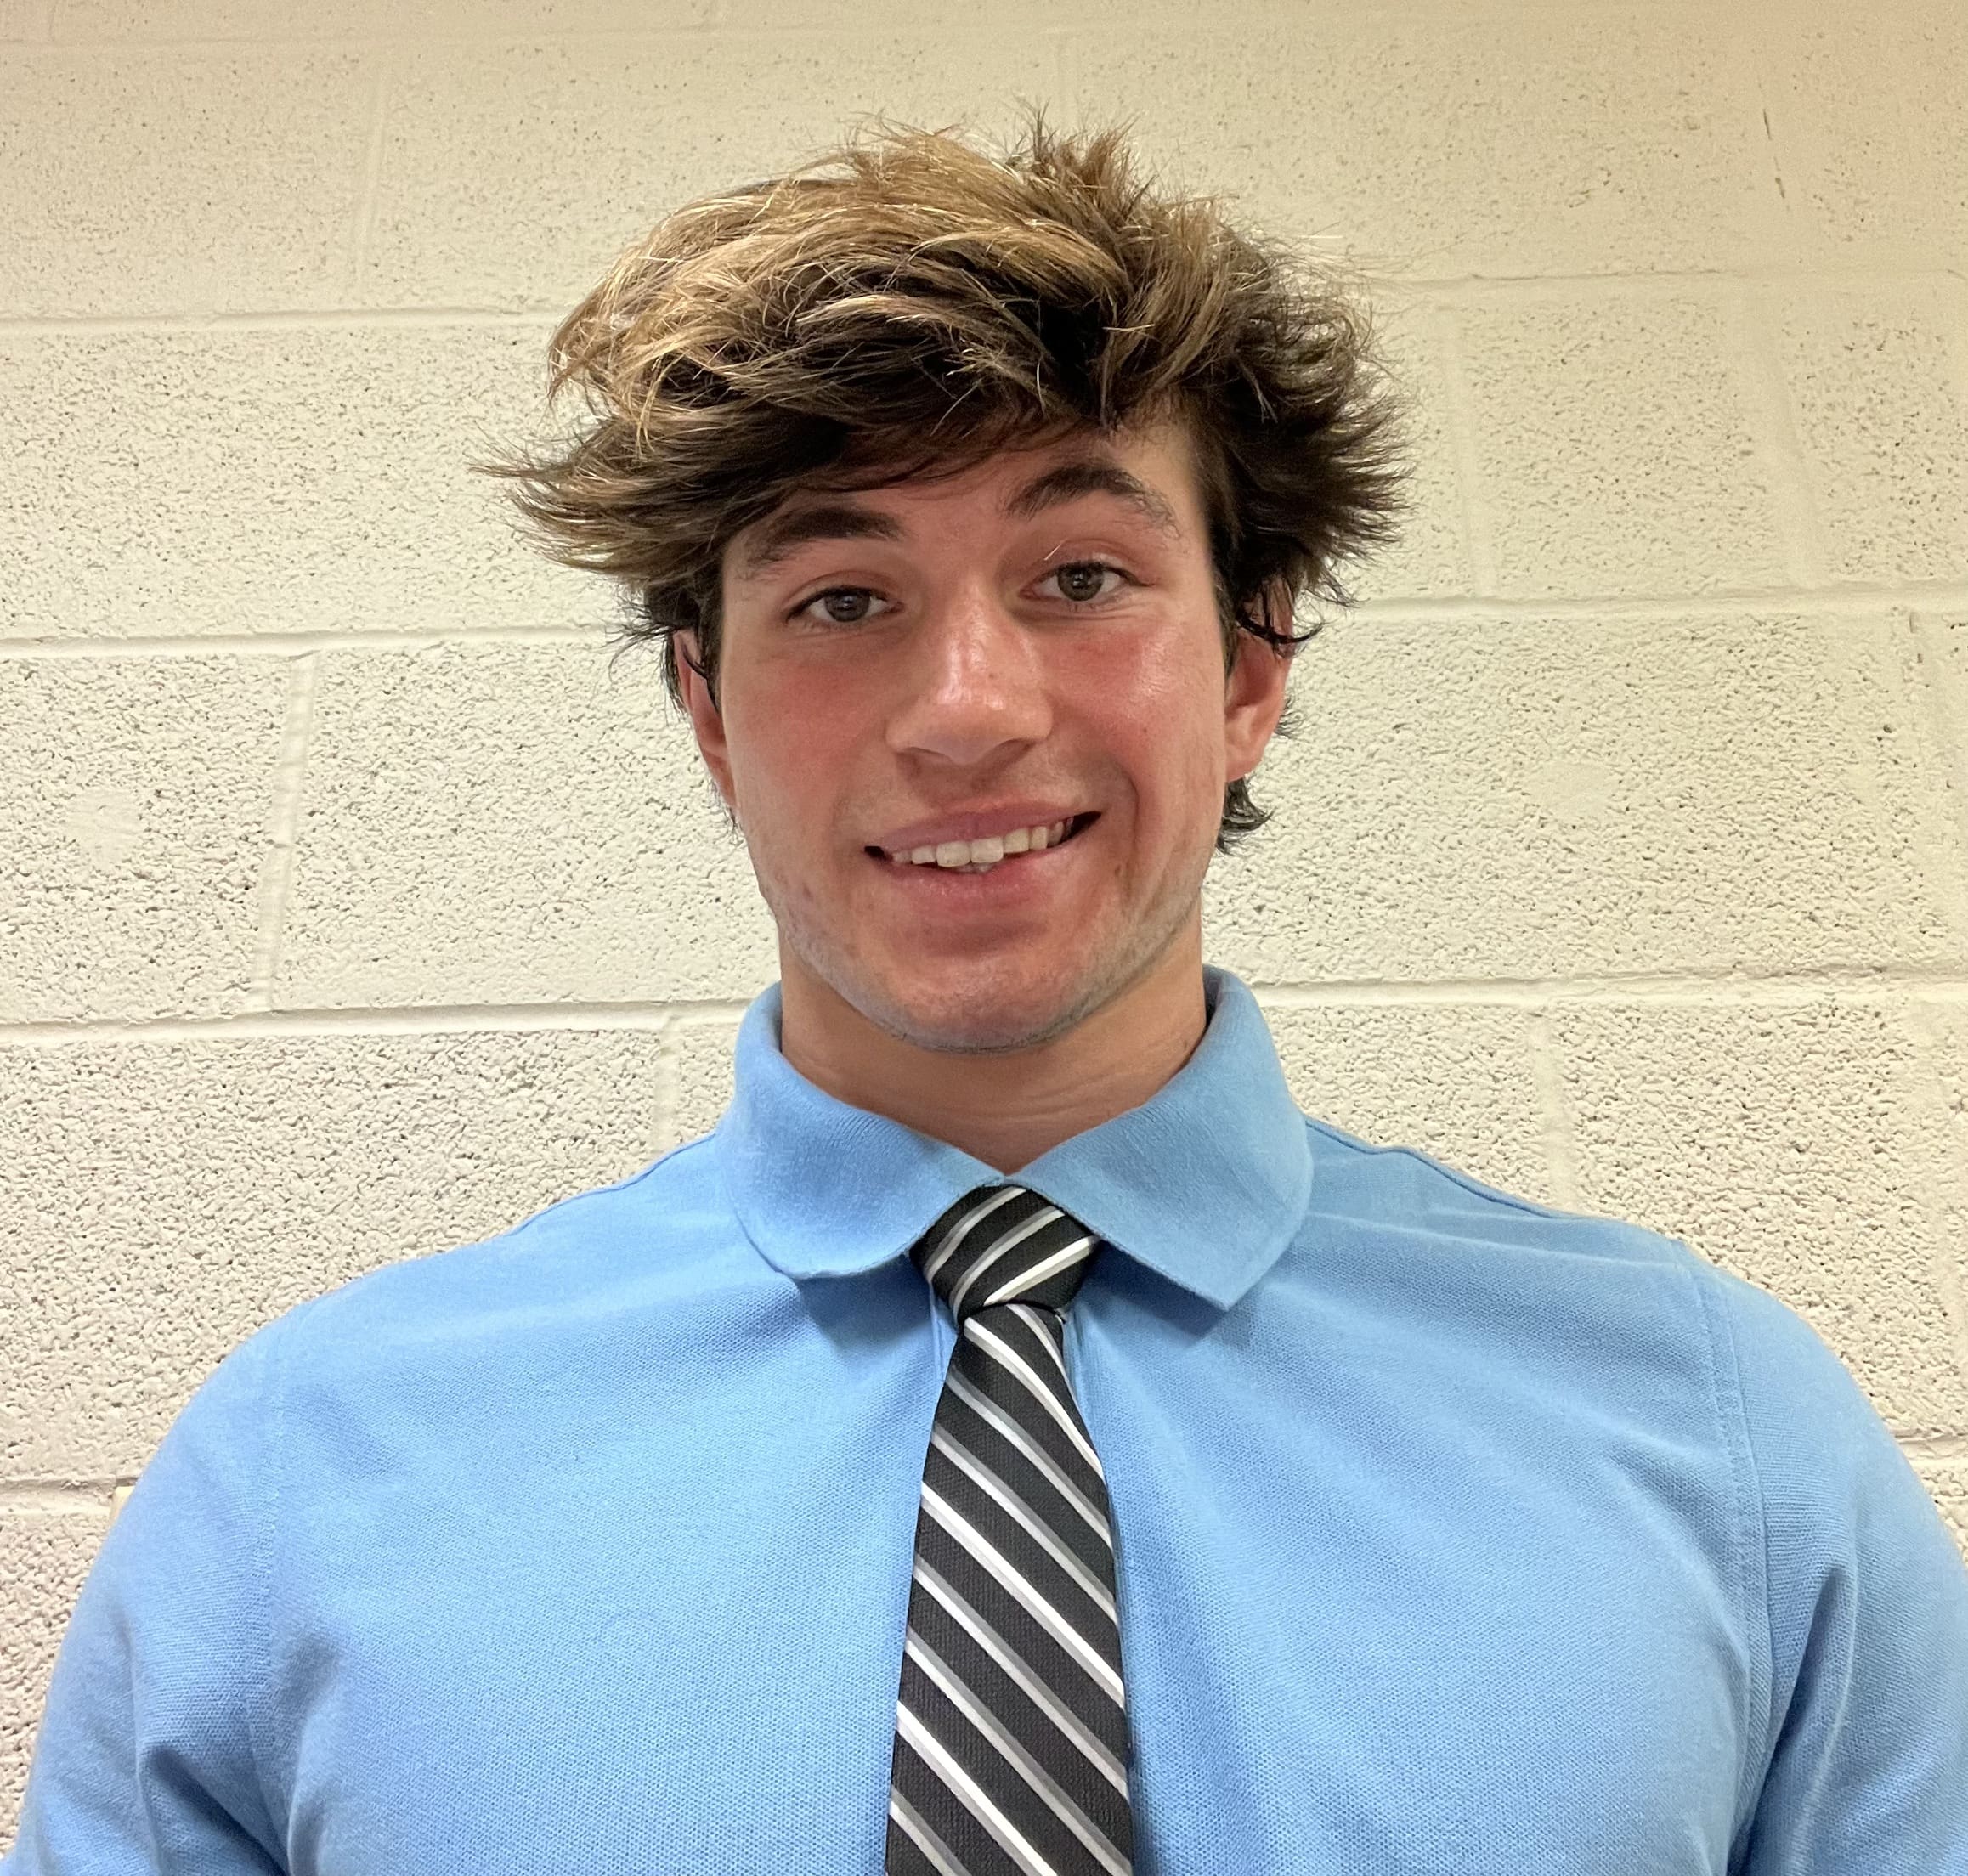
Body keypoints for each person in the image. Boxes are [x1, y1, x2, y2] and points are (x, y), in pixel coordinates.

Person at [5, 116, 1965, 1876]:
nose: (967, 714)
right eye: (841, 599)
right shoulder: (310, 1471)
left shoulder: (1724, 1443)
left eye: (1084, 574)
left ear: (1252, 670)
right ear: (708, 712)